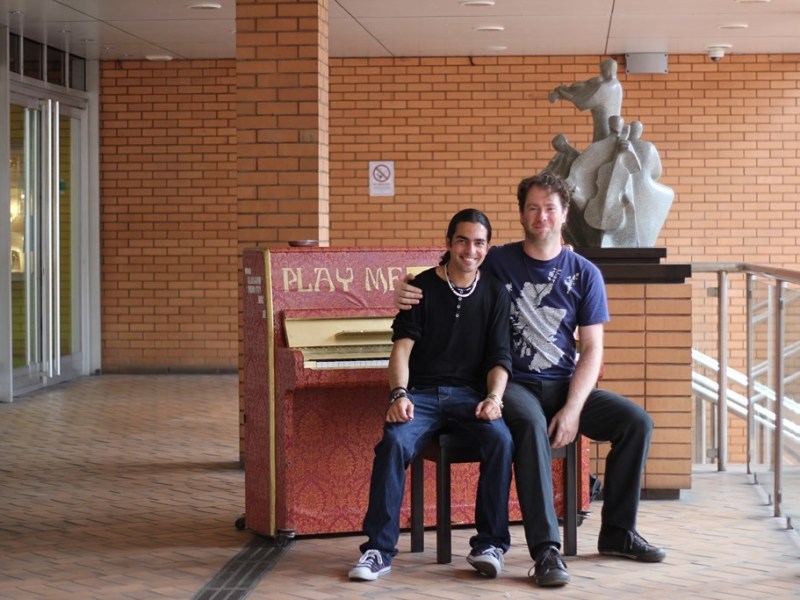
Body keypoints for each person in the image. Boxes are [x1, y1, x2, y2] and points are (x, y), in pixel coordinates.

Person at [393, 172, 665, 588]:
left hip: (565, 385)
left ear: (564, 213)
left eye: (550, 209)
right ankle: (546, 551)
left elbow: (591, 349)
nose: (541, 216)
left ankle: (617, 533)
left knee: (636, 422)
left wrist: (574, 409)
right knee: (531, 426)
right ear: (522, 214)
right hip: (514, 384)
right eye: (533, 208)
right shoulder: (499, 260)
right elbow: (449, 268)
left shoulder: (584, 272)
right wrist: (405, 290)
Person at [349, 208, 514, 582]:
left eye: (478, 243)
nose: (469, 250)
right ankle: (378, 549)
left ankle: (490, 545)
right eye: (462, 241)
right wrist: (399, 395)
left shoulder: (494, 293)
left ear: (487, 249)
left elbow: (499, 357)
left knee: (501, 440)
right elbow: (402, 350)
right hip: (421, 396)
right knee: (393, 443)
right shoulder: (420, 287)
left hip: (471, 398)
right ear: (448, 243)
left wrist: (494, 397)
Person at [549, 58, 623, 143]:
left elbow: (582, 103)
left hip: (604, 136)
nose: (601, 73)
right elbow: (586, 90)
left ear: (610, 70)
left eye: (603, 70)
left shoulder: (606, 87)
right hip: (607, 133)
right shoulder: (616, 85)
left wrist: (561, 93)